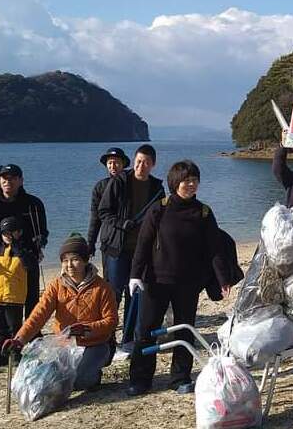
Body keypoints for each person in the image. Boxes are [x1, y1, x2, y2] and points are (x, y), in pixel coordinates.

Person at [126, 160, 234, 396]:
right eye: (187, 180)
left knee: (185, 330)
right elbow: (142, 246)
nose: (192, 184)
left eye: (195, 180)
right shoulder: (159, 209)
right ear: (175, 182)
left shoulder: (204, 212)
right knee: (146, 330)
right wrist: (135, 275)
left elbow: (214, 248)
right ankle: (140, 379)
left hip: (188, 283)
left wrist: (223, 278)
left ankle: (180, 377)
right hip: (155, 281)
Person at [3, 233, 118, 391]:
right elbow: (38, 315)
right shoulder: (56, 286)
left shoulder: (102, 287)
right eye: (65, 260)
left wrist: (86, 329)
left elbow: (111, 321)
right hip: (65, 345)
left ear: (85, 260)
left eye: (75, 259)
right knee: (53, 379)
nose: (69, 265)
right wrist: (19, 339)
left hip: (96, 344)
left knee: (78, 382)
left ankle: (94, 374)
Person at [95, 144, 165, 345]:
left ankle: (128, 339)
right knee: (113, 292)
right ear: (133, 161)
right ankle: (107, 337)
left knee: (135, 293)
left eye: (146, 163)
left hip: (141, 250)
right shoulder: (119, 182)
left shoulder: (157, 188)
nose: (141, 166)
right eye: (138, 162)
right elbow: (103, 211)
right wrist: (121, 224)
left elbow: (161, 219)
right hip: (116, 248)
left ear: (153, 165)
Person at [0, 164, 48, 319]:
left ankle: (33, 331)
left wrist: (41, 240)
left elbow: (43, 230)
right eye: (4, 178)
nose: (7, 181)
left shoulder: (33, 204)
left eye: (12, 178)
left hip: (26, 256)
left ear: (21, 180)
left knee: (31, 296)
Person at [0, 216, 37, 369]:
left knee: (14, 327)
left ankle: (15, 353)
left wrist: (19, 249)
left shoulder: (24, 250)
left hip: (15, 296)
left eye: (11, 232)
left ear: (19, 232)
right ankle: (0, 354)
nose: (8, 236)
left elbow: (31, 265)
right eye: (4, 233)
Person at [86, 147, 131, 261]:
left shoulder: (132, 185)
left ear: (123, 164)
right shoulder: (100, 187)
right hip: (109, 241)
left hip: (130, 240)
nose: (113, 166)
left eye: (116, 162)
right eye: (110, 162)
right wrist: (91, 243)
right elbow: (95, 217)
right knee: (109, 278)